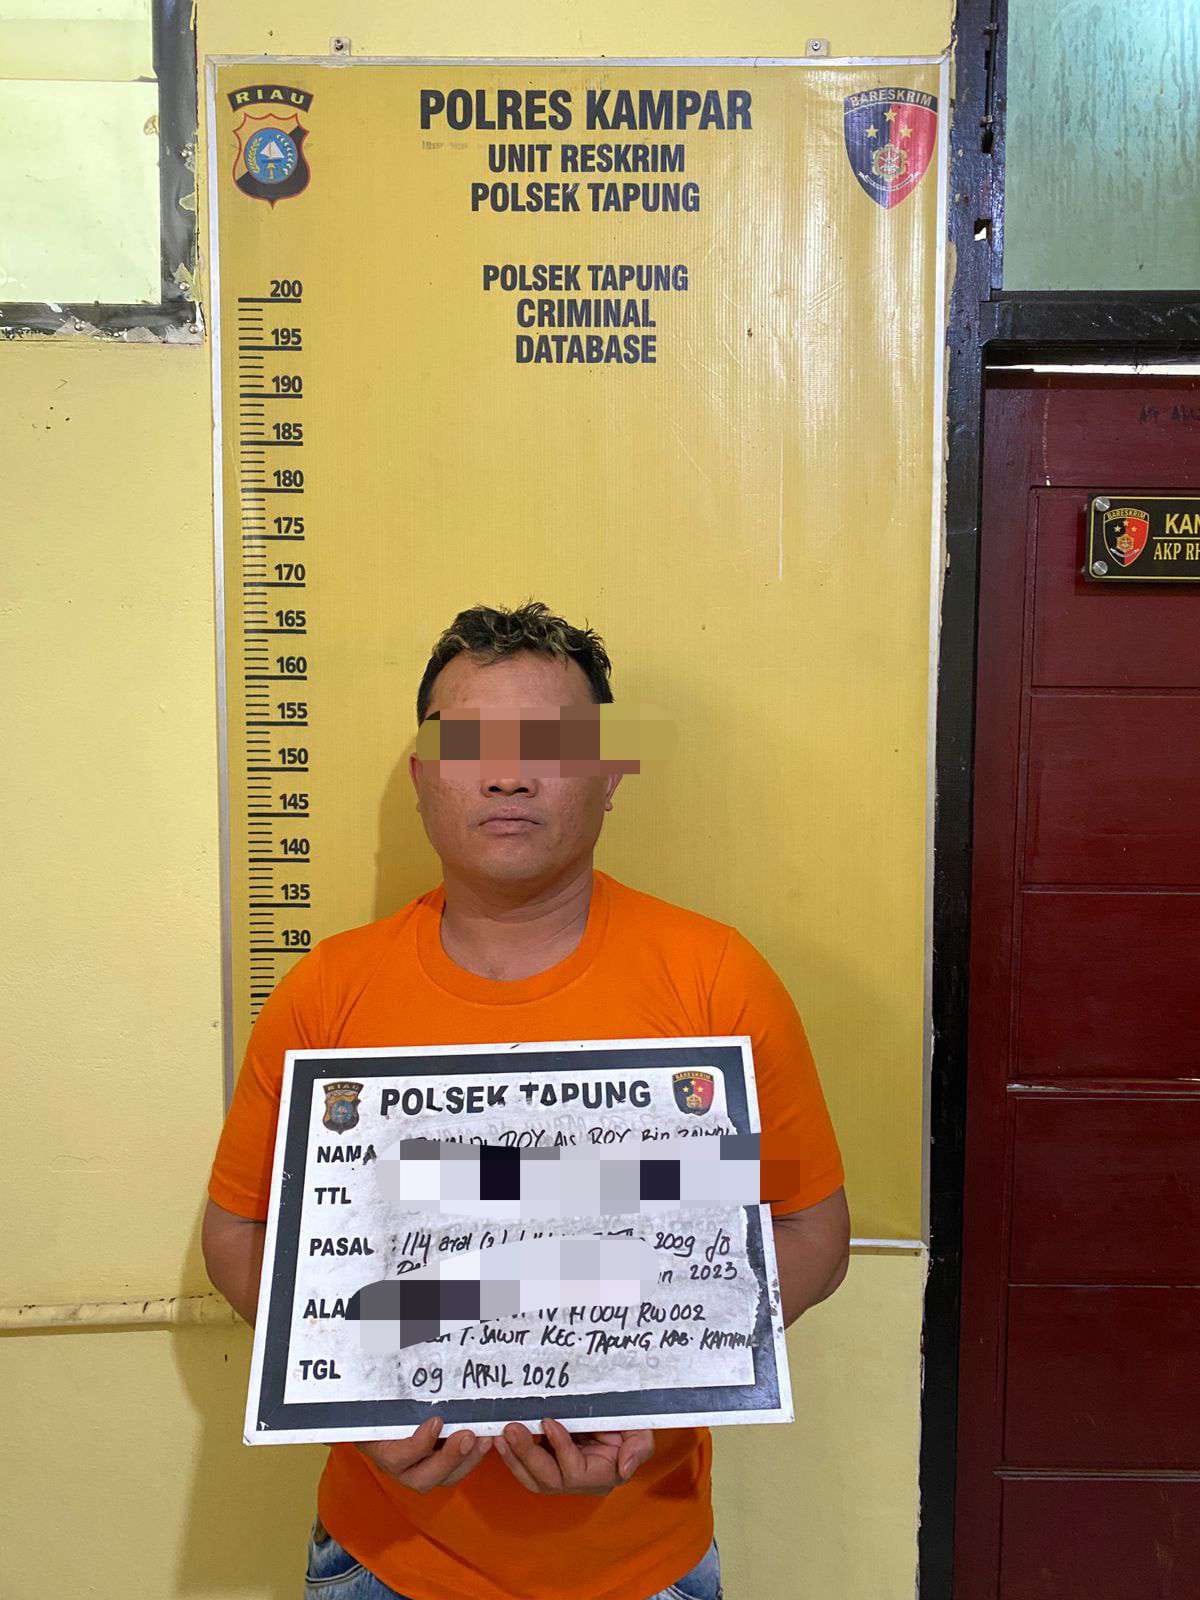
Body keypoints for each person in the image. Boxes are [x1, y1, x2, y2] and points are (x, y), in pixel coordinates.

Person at [203, 600, 850, 1600]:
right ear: (422, 774)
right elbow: (240, 1231)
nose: (506, 774)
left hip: (644, 1561)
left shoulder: (714, 981)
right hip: (381, 1558)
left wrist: (655, 1385)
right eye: (466, 743)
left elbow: (810, 1227)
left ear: (610, 772)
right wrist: (347, 1392)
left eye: (548, 743)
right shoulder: (329, 993)